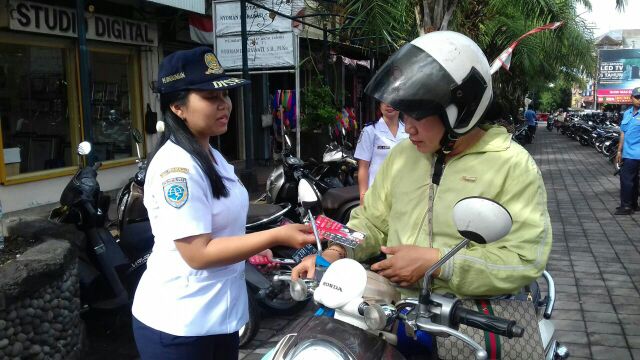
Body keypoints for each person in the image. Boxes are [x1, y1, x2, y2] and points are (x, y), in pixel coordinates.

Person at [292, 31, 552, 299]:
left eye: (419, 114)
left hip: (468, 317)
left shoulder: (512, 165)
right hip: (395, 310)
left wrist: (439, 264)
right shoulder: (402, 155)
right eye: (405, 113)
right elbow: (371, 222)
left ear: (462, 108)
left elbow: (524, 258)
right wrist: (336, 251)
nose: (409, 127)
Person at [130, 47, 316, 360]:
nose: (223, 105)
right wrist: (275, 236)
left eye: (226, 95)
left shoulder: (211, 155)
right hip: (179, 324)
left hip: (217, 316)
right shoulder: (176, 169)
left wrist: (254, 246)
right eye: (210, 97)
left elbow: (219, 225)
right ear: (178, 107)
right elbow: (198, 254)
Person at [354, 102, 409, 203]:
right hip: (377, 193)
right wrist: (363, 195)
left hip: (404, 191)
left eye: (393, 101)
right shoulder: (370, 130)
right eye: (384, 101)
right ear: (379, 105)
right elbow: (363, 166)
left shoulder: (408, 131)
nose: (389, 105)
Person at [614, 87, 640, 215]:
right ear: (631, 98)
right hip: (628, 153)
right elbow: (623, 132)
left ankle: (626, 206)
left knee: (627, 180)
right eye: (637, 97)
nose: (639, 100)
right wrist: (619, 151)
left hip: (637, 153)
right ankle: (633, 204)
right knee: (633, 180)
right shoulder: (627, 113)